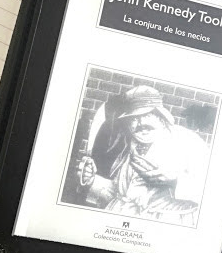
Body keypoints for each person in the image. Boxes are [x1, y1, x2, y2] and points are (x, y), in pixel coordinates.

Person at [78, 85, 209, 225]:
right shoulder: (129, 147)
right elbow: (120, 194)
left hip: (166, 223)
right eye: (134, 119)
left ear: (161, 117)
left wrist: (175, 181)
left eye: (147, 115)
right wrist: (93, 180)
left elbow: (211, 191)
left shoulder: (189, 141)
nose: (141, 123)